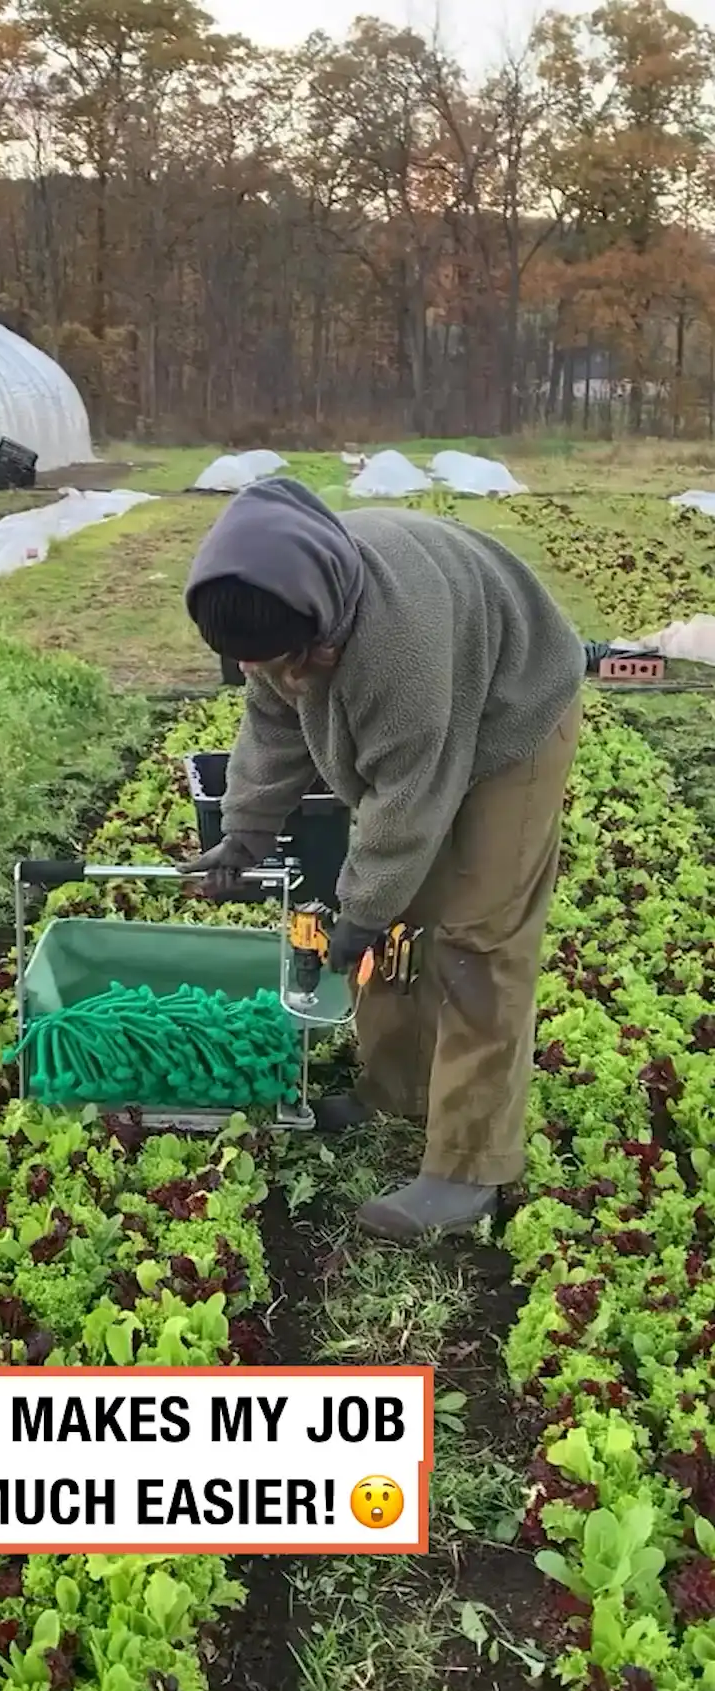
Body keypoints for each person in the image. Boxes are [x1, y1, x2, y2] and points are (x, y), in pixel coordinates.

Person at [182, 476, 585, 1243]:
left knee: (479, 933)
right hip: (437, 709)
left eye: (297, 660)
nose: (289, 680)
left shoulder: (399, 644)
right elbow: (273, 728)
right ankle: (395, 1087)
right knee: (397, 916)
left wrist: (359, 913)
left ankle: (469, 1169)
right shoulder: (282, 604)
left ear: (324, 620)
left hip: (515, 707)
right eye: (265, 666)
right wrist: (244, 833)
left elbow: (407, 802)